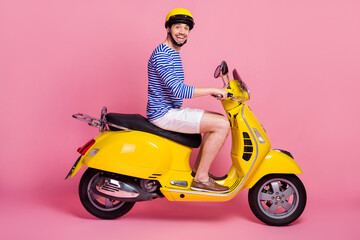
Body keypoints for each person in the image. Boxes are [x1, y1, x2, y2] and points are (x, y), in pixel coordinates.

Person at [147, 8, 230, 193]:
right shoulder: (162, 55)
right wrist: (212, 90)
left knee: (217, 119)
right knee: (222, 125)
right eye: (177, 27)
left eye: (186, 28)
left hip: (170, 110)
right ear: (168, 28)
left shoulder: (172, 52)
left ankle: (198, 173)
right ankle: (201, 178)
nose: (182, 32)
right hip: (163, 114)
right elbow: (178, 89)